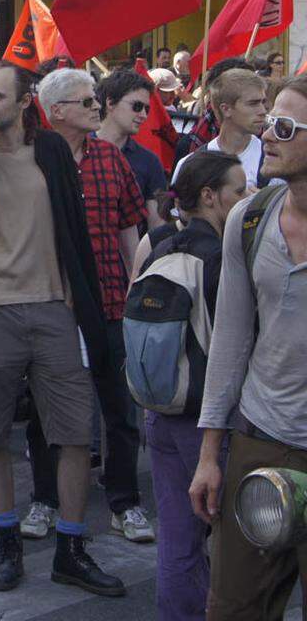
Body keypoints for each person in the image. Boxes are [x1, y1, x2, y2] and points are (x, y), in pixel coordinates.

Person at [0, 62, 124, 596]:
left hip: (51, 308)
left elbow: (74, 231)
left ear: (26, 101)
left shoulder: (49, 152)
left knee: (74, 434)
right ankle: (8, 544)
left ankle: (71, 547)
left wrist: (76, 305)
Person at [189, 76, 307, 620]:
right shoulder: (250, 216)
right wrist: (210, 456)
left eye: (283, 127)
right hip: (260, 441)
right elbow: (230, 342)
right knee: (235, 608)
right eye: (268, 123)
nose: (268, 136)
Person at [35, 68, 151, 544]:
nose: (96, 108)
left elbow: (129, 230)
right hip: (53, 305)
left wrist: (135, 290)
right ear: (55, 110)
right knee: (49, 413)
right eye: (86, 102)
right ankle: (44, 501)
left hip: (108, 302)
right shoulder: (34, 159)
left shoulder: (110, 158)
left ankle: (125, 503)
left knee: (120, 410)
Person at [136, 152, 245, 621]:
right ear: (209, 196)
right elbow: (236, 341)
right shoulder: (221, 258)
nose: (247, 198)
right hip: (209, 422)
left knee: (177, 541)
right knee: (233, 549)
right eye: (238, 191)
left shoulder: (161, 245)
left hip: (162, 410)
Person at [173, 68, 268, 190]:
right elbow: (174, 203)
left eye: (263, 102)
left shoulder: (275, 161)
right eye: (253, 103)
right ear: (226, 109)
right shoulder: (189, 164)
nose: (262, 111)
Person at [99, 68, 168, 226]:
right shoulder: (77, 150)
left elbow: (156, 225)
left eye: (147, 109)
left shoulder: (150, 161)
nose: (143, 115)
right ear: (110, 103)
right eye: (137, 106)